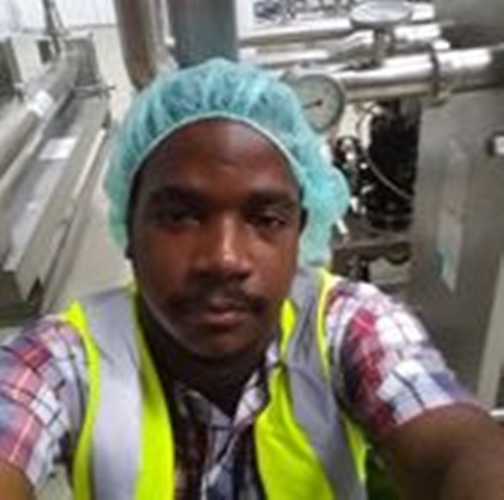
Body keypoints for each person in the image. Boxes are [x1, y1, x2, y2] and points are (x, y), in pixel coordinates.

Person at [1, 58, 504, 500]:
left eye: (266, 219)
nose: (224, 259)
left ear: (300, 233)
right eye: (179, 216)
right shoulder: (64, 359)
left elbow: (459, 447)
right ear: (129, 231)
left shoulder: (349, 327)